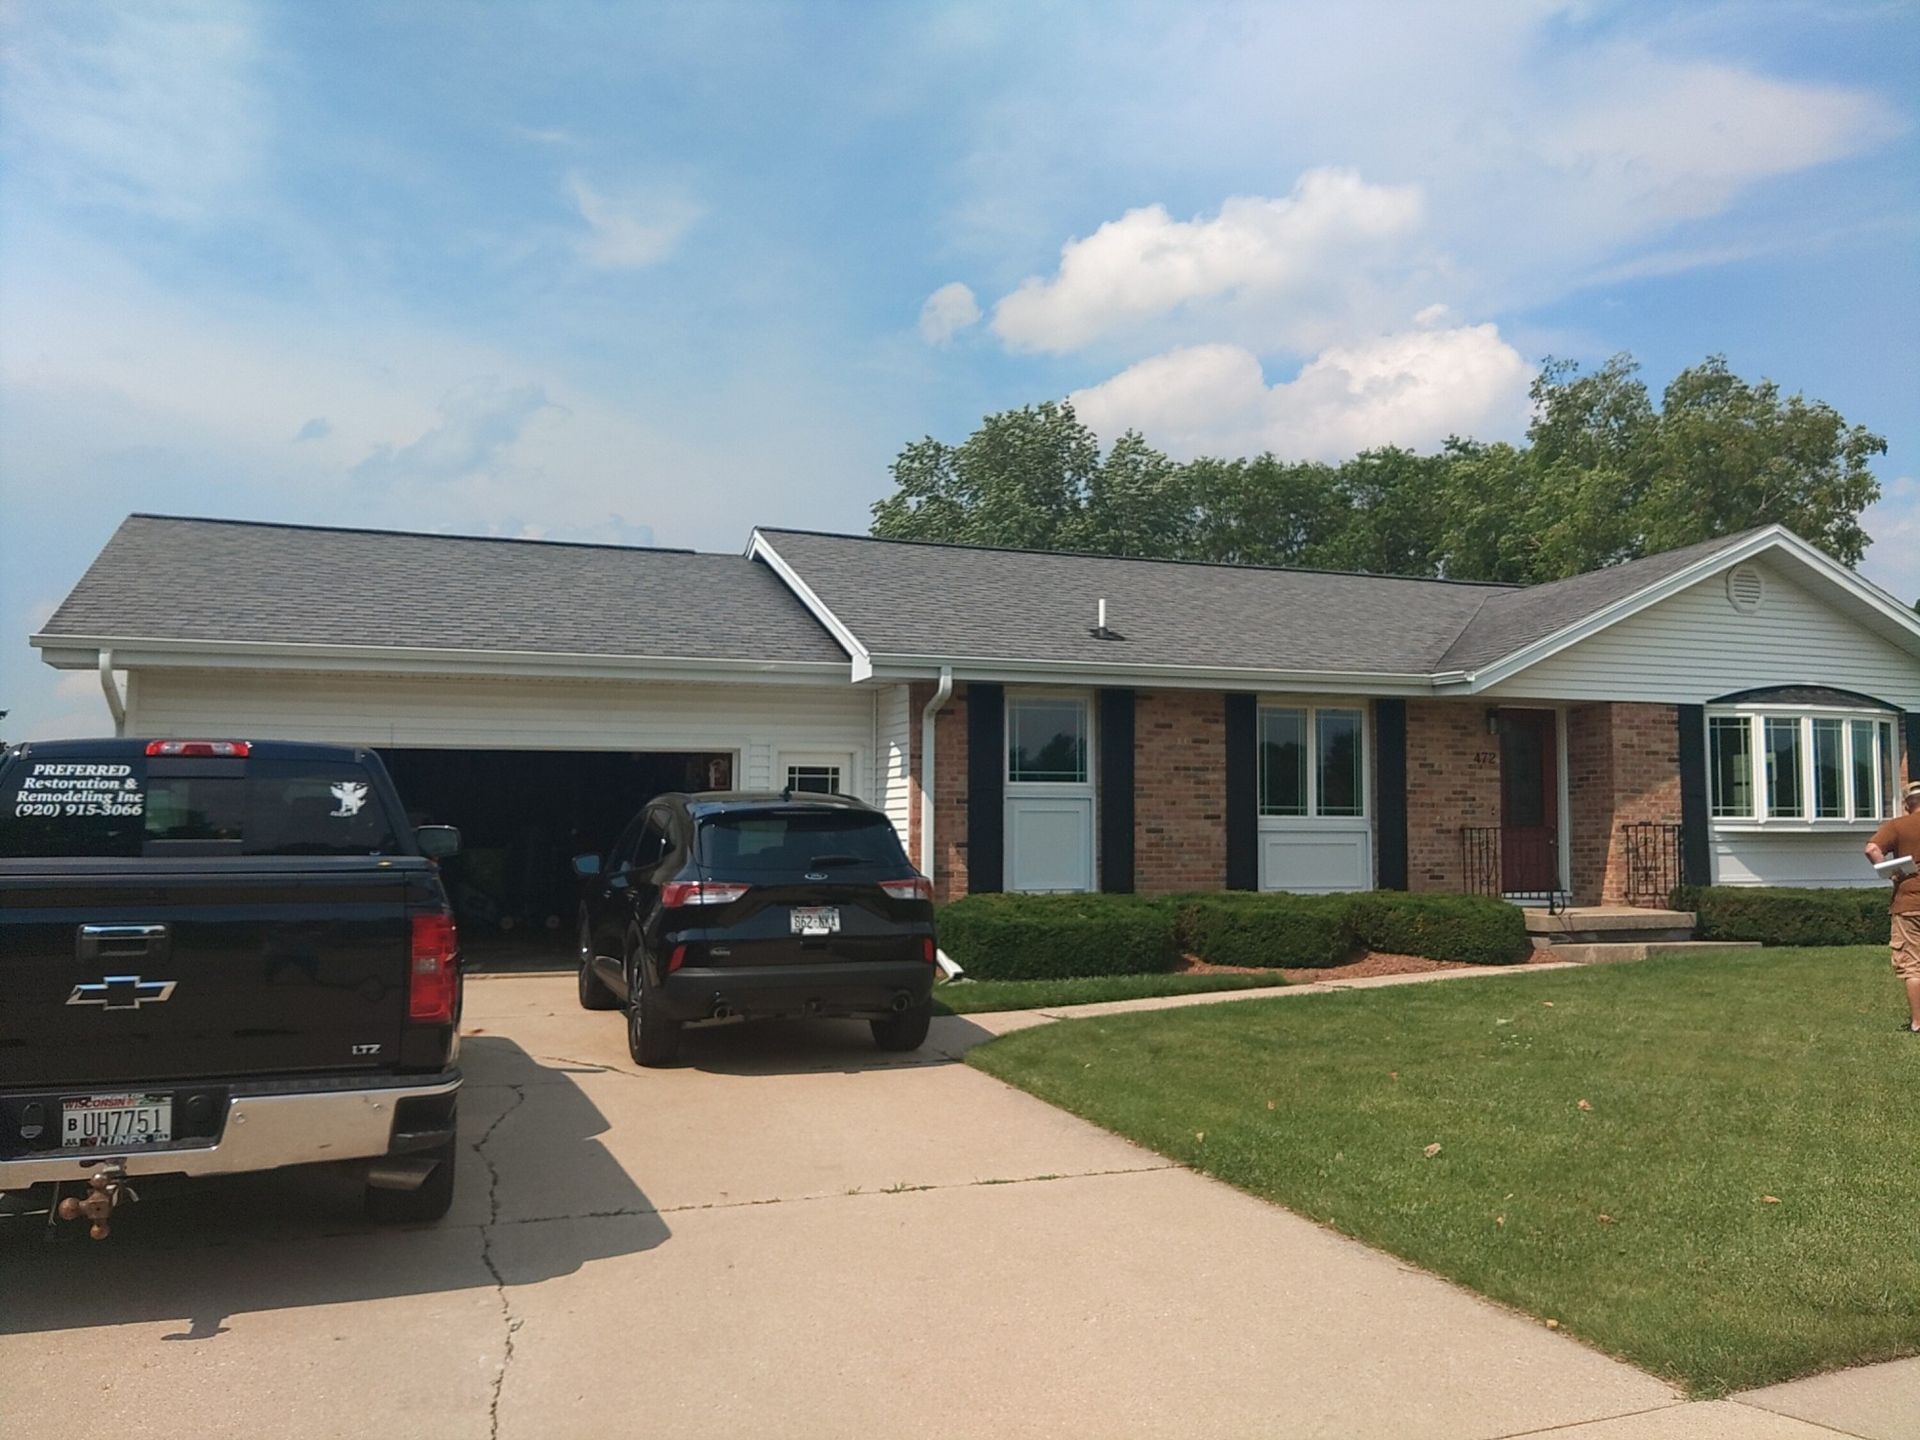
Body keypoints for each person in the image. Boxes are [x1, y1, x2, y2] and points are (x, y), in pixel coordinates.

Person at [1866, 779, 1920, 1033]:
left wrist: (1892, 873)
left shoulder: (1898, 825)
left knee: (1913, 964)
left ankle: (1918, 1022)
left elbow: (1872, 849)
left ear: (1907, 804)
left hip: (1908, 902)